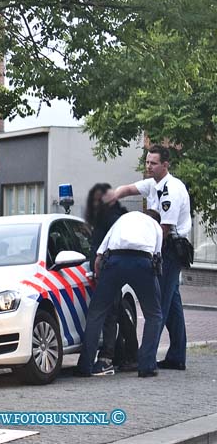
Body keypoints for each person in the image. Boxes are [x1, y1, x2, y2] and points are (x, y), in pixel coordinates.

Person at [104, 145, 191, 370]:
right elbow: (129, 189)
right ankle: (177, 356)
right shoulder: (154, 184)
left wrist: (151, 256)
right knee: (173, 306)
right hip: (166, 248)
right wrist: (112, 195)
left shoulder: (170, 190)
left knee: (157, 305)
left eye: (153, 163)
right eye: (147, 162)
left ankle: (146, 359)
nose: (148, 166)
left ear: (165, 165)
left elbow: (163, 230)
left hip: (169, 249)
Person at [76, 210, 164, 378]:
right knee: (154, 315)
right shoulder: (156, 227)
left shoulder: (123, 219)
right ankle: (146, 366)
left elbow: (99, 255)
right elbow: (157, 256)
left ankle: (85, 366)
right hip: (142, 262)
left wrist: (102, 275)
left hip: (114, 261)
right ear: (157, 221)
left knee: (96, 313)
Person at [84, 183, 135, 375]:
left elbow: (104, 246)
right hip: (107, 269)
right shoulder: (107, 218)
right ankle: (129, 356)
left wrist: (99, 266)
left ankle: (106, 358)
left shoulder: (112, 219)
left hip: (108, 271)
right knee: (118, 312)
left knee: (110, 314)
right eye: (95, 199)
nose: (98, 203)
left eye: (101, 199)